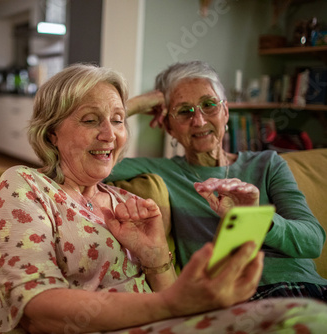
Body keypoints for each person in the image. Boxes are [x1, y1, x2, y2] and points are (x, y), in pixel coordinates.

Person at [0, 63, 327, 334]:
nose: (109, 134)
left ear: (226, 110)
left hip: (289, 292)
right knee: (307, 321)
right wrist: (144, 103)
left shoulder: (125, 200)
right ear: (51, 134)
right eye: (90, 119)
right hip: (226, 305)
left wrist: (157, 255)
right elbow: (36, 304)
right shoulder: (28, 185)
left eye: (117, 119)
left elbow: (313, 240)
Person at [107, 60, 327, 301]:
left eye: (209, 105)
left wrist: (256, 218)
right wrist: (135, 105)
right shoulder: (164, 171)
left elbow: (313, 241)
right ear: (169, 127)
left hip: (308, 287)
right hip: (242, 300)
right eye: (184, 111)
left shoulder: (268, 164)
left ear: (225, 112)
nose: (199, 121)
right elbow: (85, 158)